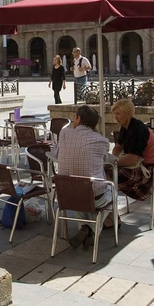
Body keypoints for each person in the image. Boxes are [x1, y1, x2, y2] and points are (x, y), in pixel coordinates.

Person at [56, 105, 111, 249]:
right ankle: (92, 232)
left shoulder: (64, 134)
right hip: (91, 196)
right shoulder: (101, 141)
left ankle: (84, 229)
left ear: (78, 119)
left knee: (80, 192)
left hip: (65, 195)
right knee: (111, 192)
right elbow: (105, 159)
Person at [106, 99, 154, 202]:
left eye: (118, 114)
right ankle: (110, 206)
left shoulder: (137, 130)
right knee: (105, 172)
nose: (115, 117)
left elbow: (132, 159)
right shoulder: (125, 127)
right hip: (138, 166)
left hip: (150, 169)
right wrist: (112, 160)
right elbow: (117, 147)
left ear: (128, 114)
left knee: (109, 175)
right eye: (114, 114)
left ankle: (110, 207)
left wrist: (112, 162)